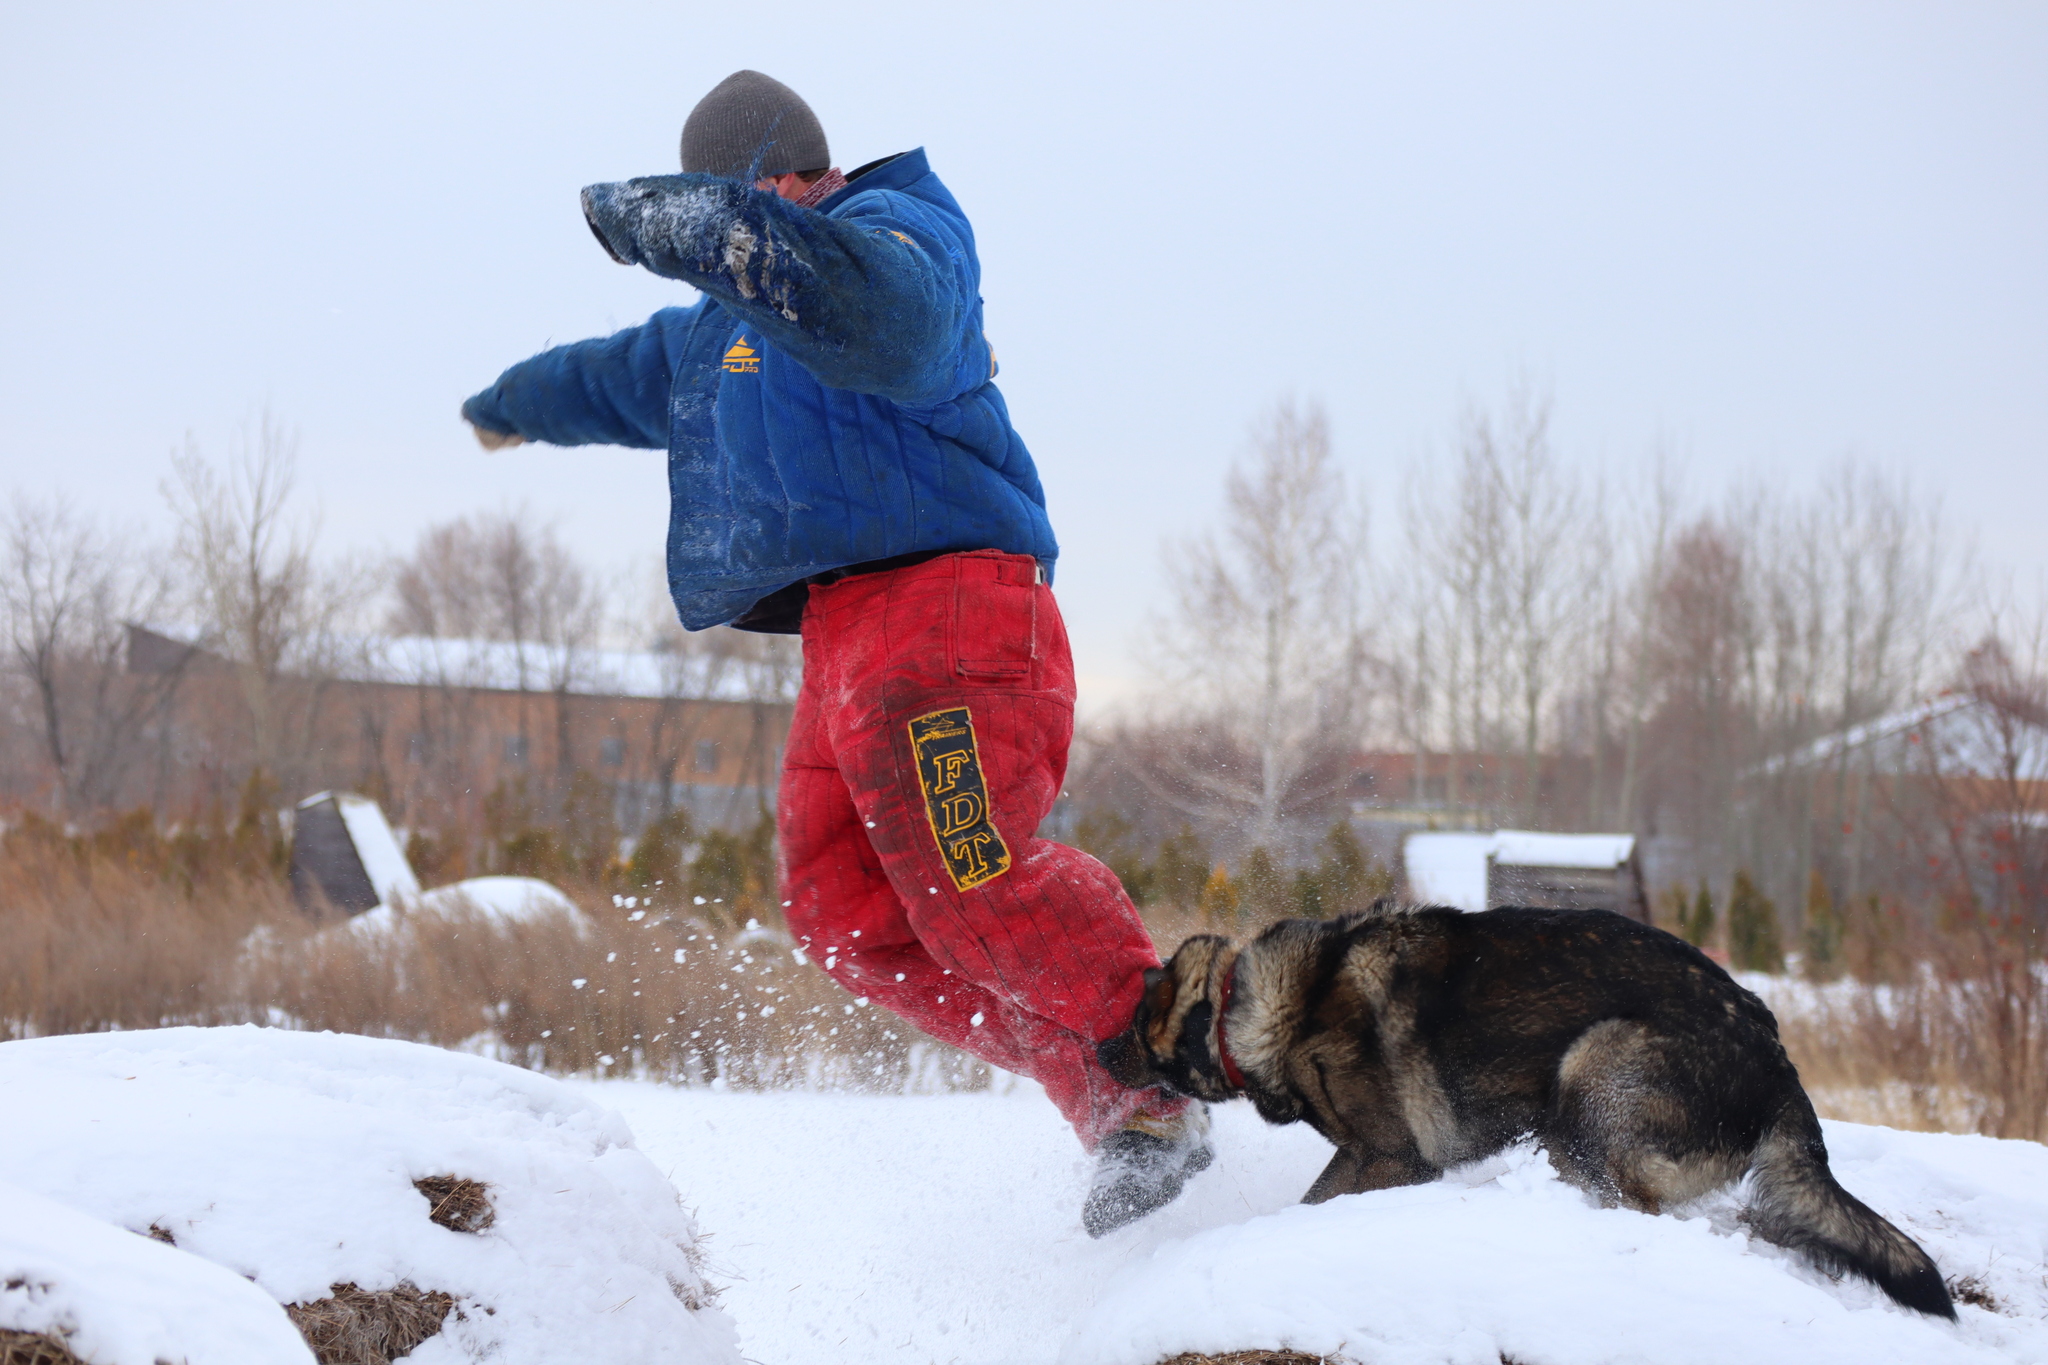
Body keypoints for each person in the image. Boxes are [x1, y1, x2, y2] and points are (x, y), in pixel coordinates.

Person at [461, 70, 1207, 1234]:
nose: (734, 253)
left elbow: (886, 320)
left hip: (952, 609)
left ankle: (1180, 1051)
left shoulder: (894, 235)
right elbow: (616, 375)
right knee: (845, 913)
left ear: (782, 182)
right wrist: (506, 404)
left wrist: (704, 230)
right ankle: (1118, 1095)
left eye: (740, 218)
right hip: (843, 640)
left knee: (970, 872)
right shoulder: (727, 327)